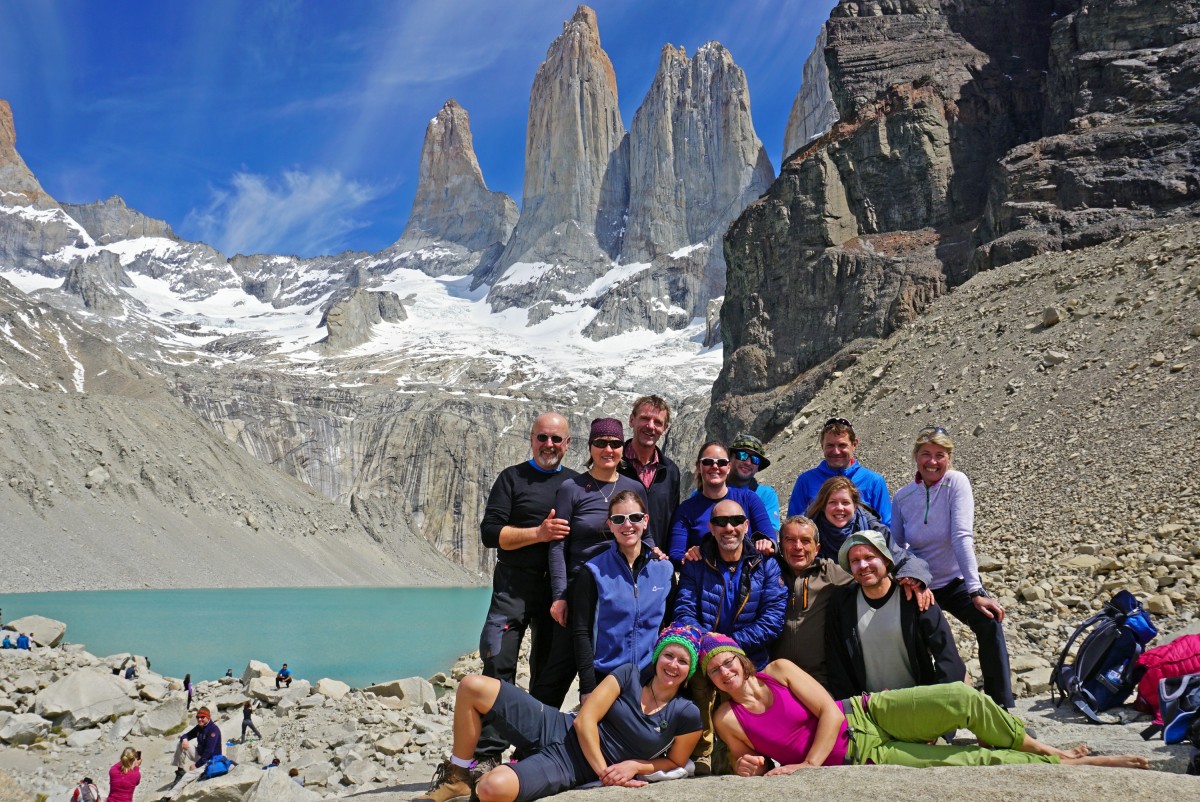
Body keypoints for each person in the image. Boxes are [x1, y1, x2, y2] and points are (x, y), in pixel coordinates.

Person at [702, 634, 1150, 774]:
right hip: (863, 755)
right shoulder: (727, 716)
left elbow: (831, 711)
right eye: (715, 671)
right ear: (712, 681)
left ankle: (1042, 748)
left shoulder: (778, 669)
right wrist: (750, 766)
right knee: (961, 761)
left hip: (866, 712)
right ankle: (1067, 767)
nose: (726, 672)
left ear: (741, 659)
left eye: (728, 662)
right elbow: (749, 760)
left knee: (959, 696)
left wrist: (810, 764)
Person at [417, 626, 704, 802]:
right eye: (668, 656)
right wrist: (606, 772)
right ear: (657, 658)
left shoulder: (686, 713)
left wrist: (635, 766)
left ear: (689, 670)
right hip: (557, 726)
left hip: (571, 766)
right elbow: (585, 719)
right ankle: (457, 778)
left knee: (493, 789)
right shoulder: (629, 675)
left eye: (682, 661)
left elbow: (676, 760)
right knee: (471, 686)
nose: (673, 665)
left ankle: (509, 773)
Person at [476, 411, 576, 769]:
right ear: (531, 439)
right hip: (513, 587)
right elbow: (490, 534)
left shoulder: (577, 484)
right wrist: (539, 534)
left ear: (568, 444)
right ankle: (487, 756)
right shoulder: (512, 478)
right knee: (498, 665)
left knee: (548, 674)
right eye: (542, 437)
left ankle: (533, 751)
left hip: (558, 592)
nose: (549, 444)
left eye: (556, 439)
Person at [891, 426, 1014, 708]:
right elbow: (896, 548)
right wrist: (909, 581)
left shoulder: (956, 483)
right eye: (926, 454)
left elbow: (961, 536)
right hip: (923, 586)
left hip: (955, 581)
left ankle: (1002, 708)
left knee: (989, 622)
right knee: (924, 643)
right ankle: (931, 712)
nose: (932, 462)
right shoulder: (902, 497)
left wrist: (976, 590)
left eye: (940, 455)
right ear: (915, 456)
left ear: (949, 458)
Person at [672, 498, 787, 774]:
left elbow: (773, 619)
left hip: (750, 659)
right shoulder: (696, 564)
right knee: (700, 694)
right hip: (705, 657)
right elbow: (684, 611)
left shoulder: (766, 565)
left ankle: (745, 758)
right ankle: (701, 758)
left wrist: (729, 646)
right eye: (721, 522)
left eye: (736, 521)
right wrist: (711, 647)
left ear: (747, 526)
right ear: (711, 528)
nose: (729, 528)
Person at [543, 418, 650, 707]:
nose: (608, 449)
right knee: (559, 669)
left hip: (620, 591)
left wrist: (657, 556)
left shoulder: (633, 488)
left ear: (622, 448)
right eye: (600, 443)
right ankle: (533, 743)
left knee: (608, 667)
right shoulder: (572, 488)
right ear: (590, 447)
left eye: (615, 443)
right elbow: (558, 546)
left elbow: (645, 536)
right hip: (580, 589)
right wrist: (560, 595)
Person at [772, 516, 934, 688]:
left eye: (805, 541)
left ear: (817, 548)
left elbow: (874, 575)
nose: (798, 547)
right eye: (790, 540)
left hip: (820, 680)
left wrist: (916, 579)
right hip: (776, 677)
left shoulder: (831, 574)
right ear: (781, 545)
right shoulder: (768, 573)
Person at [825, 531, 964, 699]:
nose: (863, 565)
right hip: (868, 710)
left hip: (917, 705)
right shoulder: (842, 604)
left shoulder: (916, 598)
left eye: (870, 557)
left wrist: (940, 704)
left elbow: (947, 656)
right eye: (855, 561)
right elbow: (836, 664)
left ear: (886, 559)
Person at [571, 491, 674, 699]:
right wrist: (587, 687)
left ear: (645, 521)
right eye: (619, 520)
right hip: (605, 678)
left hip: (652, 678)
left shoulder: (664, 570)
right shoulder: (593, 571)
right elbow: (581, 632)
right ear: (610, 525)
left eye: (635, 517)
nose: (627, 525)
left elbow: (671, 625)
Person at [668, 441, 776, 564]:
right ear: (698, 466)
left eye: (721, 462)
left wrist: (766, 543)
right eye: (708, 462)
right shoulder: (686, 510)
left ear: (728, 467)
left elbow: (770, 539)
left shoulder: (749, 499)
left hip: (746, 578)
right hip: (705, 579)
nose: (715, 466)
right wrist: (691, 556)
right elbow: (676, 554)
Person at [787, 417, 892, 525]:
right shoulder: (806, 481)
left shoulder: (873, 481)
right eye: (830, 445)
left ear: (854, 444)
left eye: (842, 445)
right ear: (822, 445)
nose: (836, 451)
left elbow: (888, 525)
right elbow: (794, 525)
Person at [617, 395, 681, 551]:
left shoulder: (671, 471)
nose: (651, 426)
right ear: (632, 420)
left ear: (664, 429)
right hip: (617, 562)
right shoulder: (614, 465)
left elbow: (673, 520)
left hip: (657, 561)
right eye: (645, 418)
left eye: (658, 422)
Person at [805, 476, 890, 563]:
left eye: (845, 502)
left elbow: (899, 559)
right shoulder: (808, 532)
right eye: (832, 502)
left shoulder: (875, 529)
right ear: (823, 506)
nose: (839, 508)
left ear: (855, 505)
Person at [160, 707, 222, 800]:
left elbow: (209, 752)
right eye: (198, 717)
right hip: (200, 755)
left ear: (208, 717)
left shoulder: (213, 730)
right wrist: (184, 739)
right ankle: (180, 771)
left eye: (202, 717)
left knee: (188, 775)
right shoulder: (200, 727)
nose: (199, 719)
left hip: (210, 761)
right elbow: (186, 735)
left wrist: (196, 765)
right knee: (181, 743)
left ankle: (168, 796)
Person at [727, 433, 781, 530]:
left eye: (755, 459)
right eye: (742, 455)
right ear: (730, 458)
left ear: (758, 468)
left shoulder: (766, 495)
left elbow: (770, 533)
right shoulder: (709, 491)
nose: (748, 462)